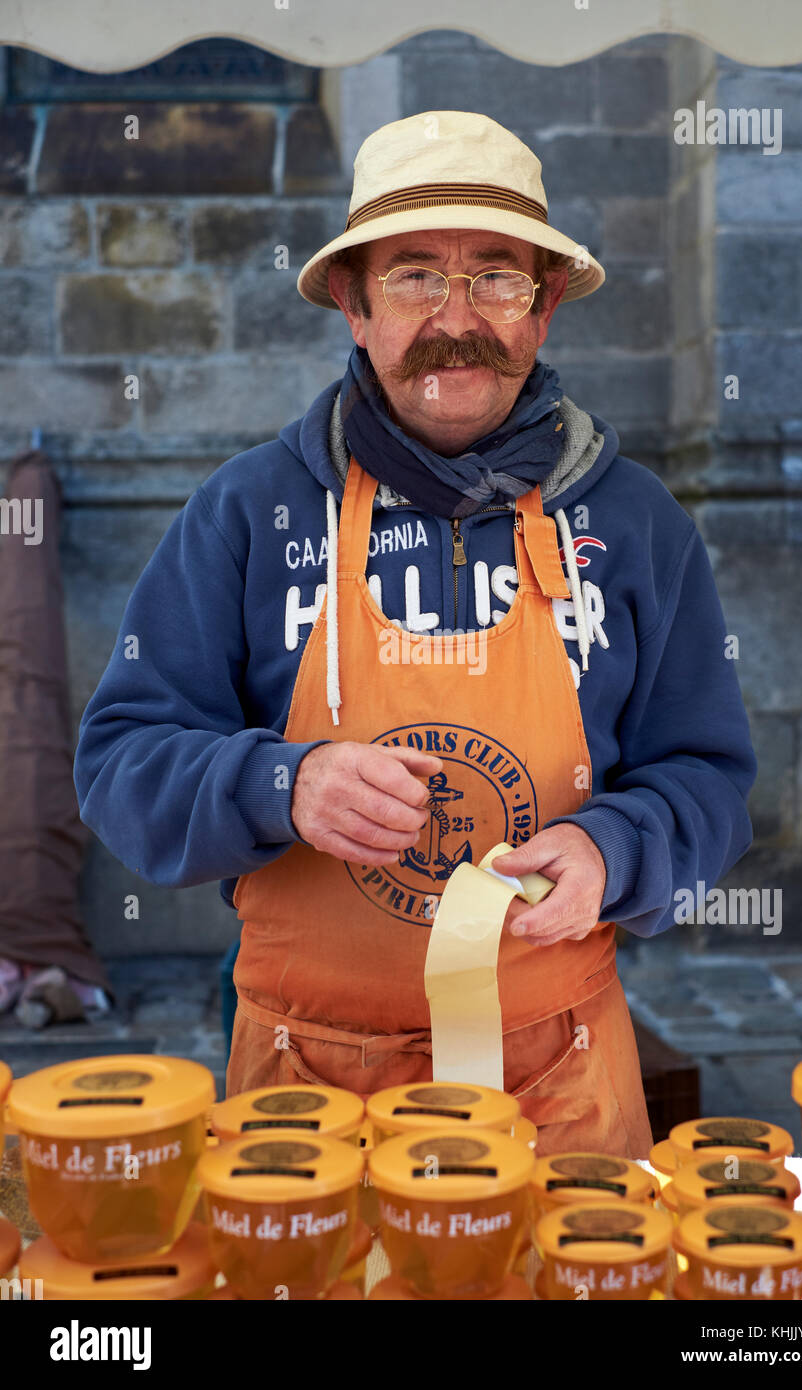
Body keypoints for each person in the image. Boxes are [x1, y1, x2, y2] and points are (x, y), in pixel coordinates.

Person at [73, 111, 757, 1158]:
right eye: (411, 277)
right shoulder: (246, 512)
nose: (456, 317)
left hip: (559, 1087)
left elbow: (707, 779)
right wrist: (279, 785)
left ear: (546, 306)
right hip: (305, 1099)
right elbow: (121, 765)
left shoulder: (637, 526)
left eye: (495, 276)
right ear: (352, 305)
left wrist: (613, 847)